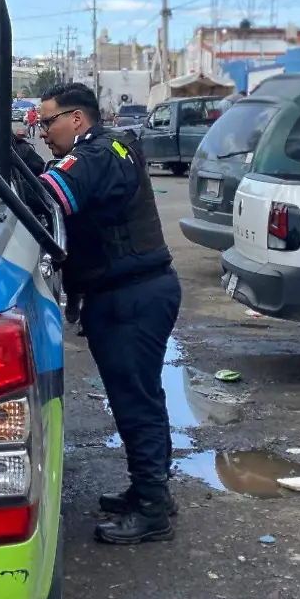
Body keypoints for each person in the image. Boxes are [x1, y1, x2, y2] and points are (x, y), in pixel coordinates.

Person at [34, 82, 182, 545]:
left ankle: (153, 510)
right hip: (130, 292)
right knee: (142, 396)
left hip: (131, 296)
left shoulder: (98, 153)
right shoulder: (110, 147)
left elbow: (47, 196)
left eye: (47, 122)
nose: (42, 132)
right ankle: (150, 491)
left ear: (76, 118)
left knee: (134, 401)